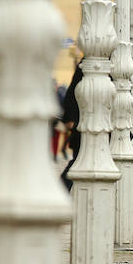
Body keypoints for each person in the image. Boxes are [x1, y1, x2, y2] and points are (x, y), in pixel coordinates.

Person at [60, 59, 83, 190]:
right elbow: (71, 94)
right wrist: (70, 119)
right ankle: (61, 189)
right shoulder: (85, 65)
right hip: (83, 125)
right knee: (78, 161)